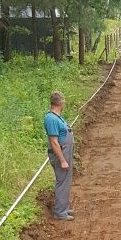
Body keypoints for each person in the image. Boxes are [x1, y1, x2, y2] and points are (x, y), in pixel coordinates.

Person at [44, 91, 74, 221]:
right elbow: (54, 142)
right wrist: (62, 160)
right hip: (61, 154)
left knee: (66, 181)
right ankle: (60, 212)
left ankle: (64, 208)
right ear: (61, 103)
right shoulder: (51, 119)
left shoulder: (57, 117)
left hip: (65, 152)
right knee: (62, 181)